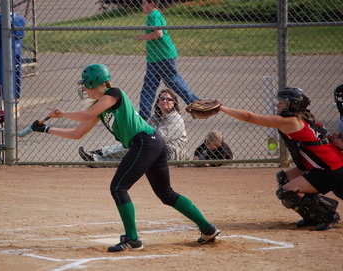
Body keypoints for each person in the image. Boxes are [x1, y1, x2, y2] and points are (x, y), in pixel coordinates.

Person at [32, 63, 220, 252]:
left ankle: (132, 239)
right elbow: (76, 133)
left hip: (145, 143)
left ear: (96, 82)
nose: (84, 88)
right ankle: (208, 228)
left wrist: (62, 113)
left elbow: (86, 114)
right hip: (152, 143)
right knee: (166, 194)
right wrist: (47, 129)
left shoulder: (114, 93)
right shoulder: (101, 108)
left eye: (86, 84)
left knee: (118, 188)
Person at [219, 86, 342, 231]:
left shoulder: (290, 121)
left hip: (330, 168)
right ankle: (313, 215)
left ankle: (327, 215)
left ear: (292, 104)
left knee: (286, 192)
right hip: (327, 164)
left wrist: (221, 108)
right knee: (284, 177)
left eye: (282, 102)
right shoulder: (308, 116)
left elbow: (249, 117)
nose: (278, 105)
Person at [136, 0, 200, 120]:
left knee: (173, 82)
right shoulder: (153, 15)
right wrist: (149, 49)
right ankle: (144, 114)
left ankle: (195, 105)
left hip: (164, 56)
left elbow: (158, 33)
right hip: (154, 58)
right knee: (149, 85)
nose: (142, 5)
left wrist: (143, 37)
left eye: (144, 3)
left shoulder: (153, 15)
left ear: (152, 4)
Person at [79, 88, 188, 162]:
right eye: (162, 98)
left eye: (168, 99)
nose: (164, 101)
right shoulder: (155, 118)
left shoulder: (176, 118)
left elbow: (160, 137)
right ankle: (97, 159)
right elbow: (144, 133)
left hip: (171, 153)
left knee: (138, 147)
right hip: (154, 147)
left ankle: (97, 155)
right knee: (133, 153)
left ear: (174, 103)